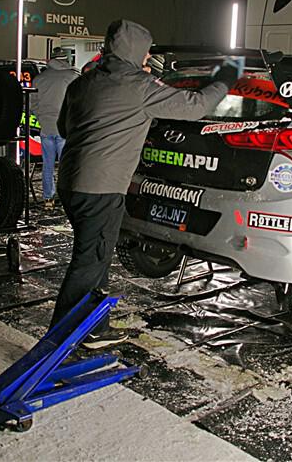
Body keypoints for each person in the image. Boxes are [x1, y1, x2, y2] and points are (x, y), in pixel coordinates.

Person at [51, 19, 238, 348]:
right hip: (101, 187)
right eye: (146, 49)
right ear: (134, 50)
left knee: (96, 255)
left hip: (70, 181)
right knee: (90, 259)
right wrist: (225, 79)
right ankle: (61, 337)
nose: (148, 55)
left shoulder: (83, 83)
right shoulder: (139, 86)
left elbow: (65, 129)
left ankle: (93, 326)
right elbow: (196, 107)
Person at [32, 48, 78, 209]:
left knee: (48, 165)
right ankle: (67, 199)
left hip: (46, 127)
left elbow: (32, 103)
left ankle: (48, 199)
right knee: (67, 166)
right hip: (65, 128)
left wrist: (42, 116)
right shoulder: (72, 77)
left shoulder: (39, 79)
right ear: (66, 59)